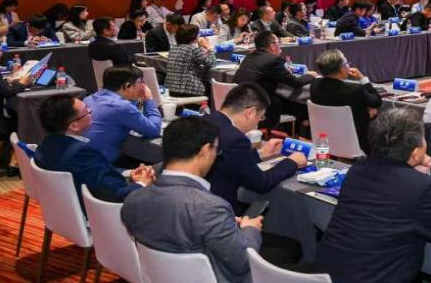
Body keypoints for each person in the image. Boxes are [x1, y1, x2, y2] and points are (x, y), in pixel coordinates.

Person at [317, 108, 431, 282]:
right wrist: (419, 178)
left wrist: (414, 174)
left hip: (329, 275)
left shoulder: (357, 170)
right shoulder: (419, 187)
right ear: (415, 153)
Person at [120, 116, 263, 283]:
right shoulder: (210, 207)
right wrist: (250, 229)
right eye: (216, 150)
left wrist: (224, 224)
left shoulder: (132, 200)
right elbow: (243, 263)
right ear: (205, 151)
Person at [205, 84, 308, 214]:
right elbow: (262, 183)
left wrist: (261, 153)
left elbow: (229, 160)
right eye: (260, 118)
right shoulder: (236, 139)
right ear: (250, 113)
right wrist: (292, 162)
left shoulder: (205, 119)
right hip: (221, 210)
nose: (257, 124)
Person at [35, 94, 154, 202]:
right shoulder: (81, 153)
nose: (90, 111)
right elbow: (114, 195)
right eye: (86, 111)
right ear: (74, 126)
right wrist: (141, 183)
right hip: (111, 210)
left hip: (65, 205)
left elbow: (94, 172)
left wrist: (129, 173)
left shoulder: (46, 144)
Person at [84, 66, 163, 163]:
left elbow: (135, 111)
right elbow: (154, 130)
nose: (143, 86)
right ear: (127, 86)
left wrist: (140, 100)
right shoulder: (121, 106)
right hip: (102, 164)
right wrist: (149, 100)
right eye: (140, 82)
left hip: (86, 158)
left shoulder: (89, 99)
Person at [234, 32, 316, 124]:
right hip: (259, 105)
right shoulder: (273, 60)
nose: (280, 46)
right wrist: (311, 75)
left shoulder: (249, 57)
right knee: (301, 106)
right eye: (278, 43)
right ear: (273, 46)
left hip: (239, 100)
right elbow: (296, 83)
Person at [308, 49, 382, 151]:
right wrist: (362, 78)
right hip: (356, 139)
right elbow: (377, 101)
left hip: (325, 137)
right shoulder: (355, 90)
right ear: (341, 69)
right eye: (347, 63)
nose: (348, 66)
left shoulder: (314, 85)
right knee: (373, 110)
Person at [165, 24, 217, 98]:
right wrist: (210, 48)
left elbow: (197, 58)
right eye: (198, 34)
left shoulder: (173, 48)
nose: (199, 35)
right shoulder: (193, 50)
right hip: (190, 90)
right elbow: (212, 63)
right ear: (193, 37)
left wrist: (201, 48)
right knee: (209, 87)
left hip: (171, 90)